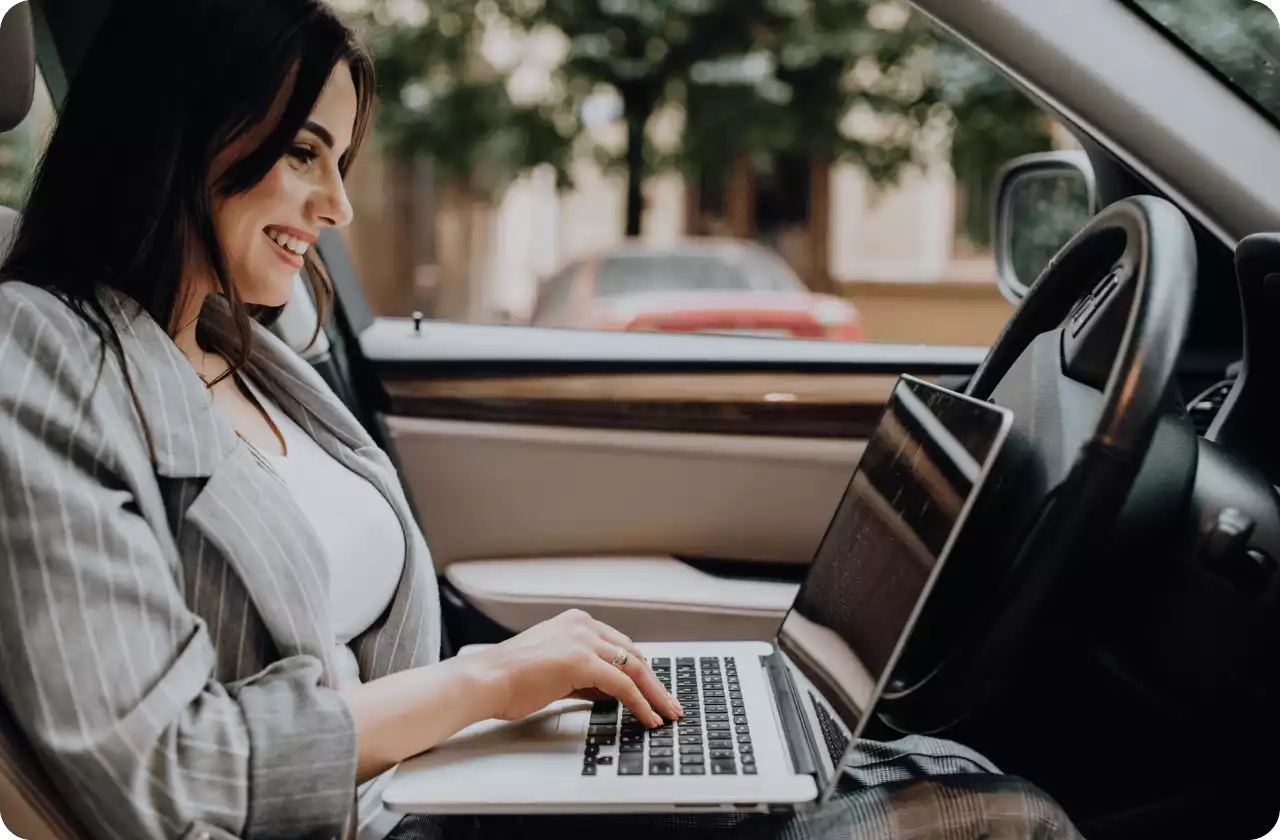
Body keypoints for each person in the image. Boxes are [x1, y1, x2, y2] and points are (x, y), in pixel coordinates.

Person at [0, 1, 1083, 838]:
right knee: (997, 819)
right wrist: (481, 687)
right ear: (182, 130)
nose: (334, 207)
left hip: (430, 787)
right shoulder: (40, 349)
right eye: (303, 154)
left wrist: (526, 702)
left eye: (341, 161)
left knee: (944, 772)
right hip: (358, 817)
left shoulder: (247, 348)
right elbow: (161, 778)